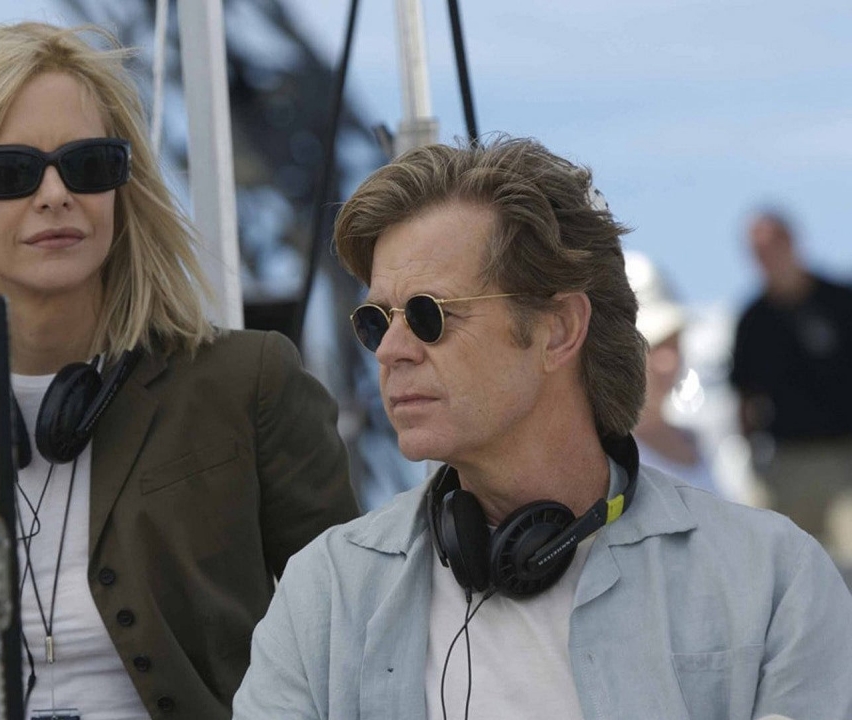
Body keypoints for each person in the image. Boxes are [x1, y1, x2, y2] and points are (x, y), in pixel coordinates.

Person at [0, 22, 359, 719]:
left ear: (121, 185)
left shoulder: (247, 382)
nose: (55, 194)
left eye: (87, 164)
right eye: (10, 171)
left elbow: (353, 641)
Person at [233, 137, 852, 719]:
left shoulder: (773, 580)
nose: (389, 350)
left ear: (558, 330)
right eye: (375, 320)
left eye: (427, 314)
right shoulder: (325, 595)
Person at [729, 209, 852, 550]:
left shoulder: (840, 302)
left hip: (843, 457)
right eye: (757, 251)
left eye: (772, 246)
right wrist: (751, 460)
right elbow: (744, 400)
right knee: (770, 555)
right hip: (784, 461)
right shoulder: (753, 321)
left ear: (792, 242)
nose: (766, 258)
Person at [624, 250, 718, 495]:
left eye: (674, 343)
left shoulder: (701, 440)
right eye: (654, 346)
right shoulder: (604, 458)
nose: (668, 362)